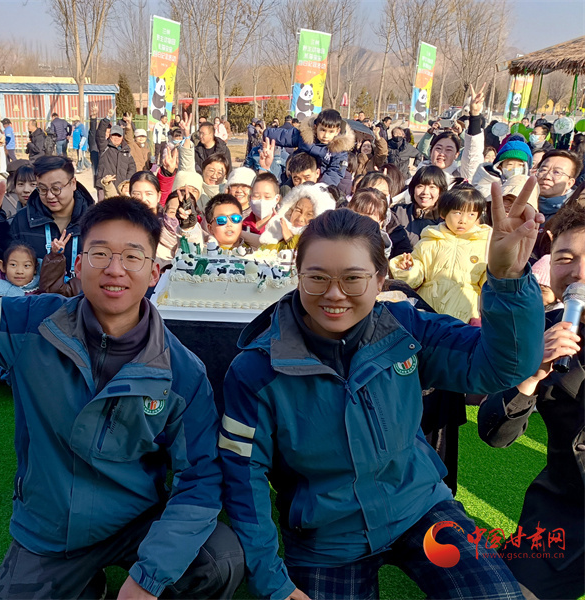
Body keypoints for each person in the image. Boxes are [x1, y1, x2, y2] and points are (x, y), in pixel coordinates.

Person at [219, 179, 545, 599]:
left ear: (380, 280)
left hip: (420, 507)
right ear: (298, 276)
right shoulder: (257, 369)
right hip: (328, 538)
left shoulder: (406, 329)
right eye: (316, 278)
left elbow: (503, 366)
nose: (334, 295)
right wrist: (271, 580)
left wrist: (508, 278)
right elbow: (243, 475)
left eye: (353, 279)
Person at [0, 192, 244, 599]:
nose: (115, 269)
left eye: (132, 256)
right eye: (100, 254)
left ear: (154, 272)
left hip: (137, 521)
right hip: (52, 529)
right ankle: (87, 582)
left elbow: (200, 477)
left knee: (220, 559)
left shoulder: (182, 371)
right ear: (80, 264)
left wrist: (151, 576)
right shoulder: (33, 323)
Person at [477, 201, 585, 600]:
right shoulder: (540, 334)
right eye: (565, 259)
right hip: (564, 508)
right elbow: (494, 433)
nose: (578, 272)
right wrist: (533, 372)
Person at [391, 184, 492, 323]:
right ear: (443, 213)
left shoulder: (484, 244)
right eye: (457, 213)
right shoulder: (430, 240)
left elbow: (489, 285)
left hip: (465, 314)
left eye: (471, 214)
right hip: (427, 311)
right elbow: (416, 279)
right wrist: (409, 269)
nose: (463, 220)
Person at [8, 156, 94, 277]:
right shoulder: (22, 220)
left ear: (73, 183)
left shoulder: (94, 220)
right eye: (42, 189)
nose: (49, 196)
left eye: (56, 189)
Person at [264, 109, 355, 187]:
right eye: (323, 130)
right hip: (298, 175)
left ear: (337, 131)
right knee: (285, 190)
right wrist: (266, 134)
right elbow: (285, 136)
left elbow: (335, 173)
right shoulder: (305, 137)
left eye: (331, 131)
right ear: (316, 127)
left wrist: (319, 188)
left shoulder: (339, 151)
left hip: (319, 184)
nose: (326, 135)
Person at [349, 187, 412, 259]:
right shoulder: (339, 236)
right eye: (356, 215)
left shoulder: (384, 246)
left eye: (367, 219)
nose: (360, 222)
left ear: (381, 222)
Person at [391, 165, 447, 246]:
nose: (425, 192)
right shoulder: (398, 212)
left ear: (440, 191)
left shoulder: (446, 218)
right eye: (420, 186)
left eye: (432, 187)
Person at [535, 149, 581, 220]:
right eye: (543, 170)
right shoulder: (522, 201)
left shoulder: (574, 215)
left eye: (557, 172)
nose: (547, 177)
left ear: (569, 183)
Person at [96, 125, 136, 202]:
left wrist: (127, 181)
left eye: (119, 135)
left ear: (122, 137)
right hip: (104, 186)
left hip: (120, 187)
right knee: (103, 208)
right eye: (114, 135)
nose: (116, 138)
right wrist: (106, 120)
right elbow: (100, 134)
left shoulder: (126, 151)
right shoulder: (104, 147)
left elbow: (132, 167)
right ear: (110, 136)